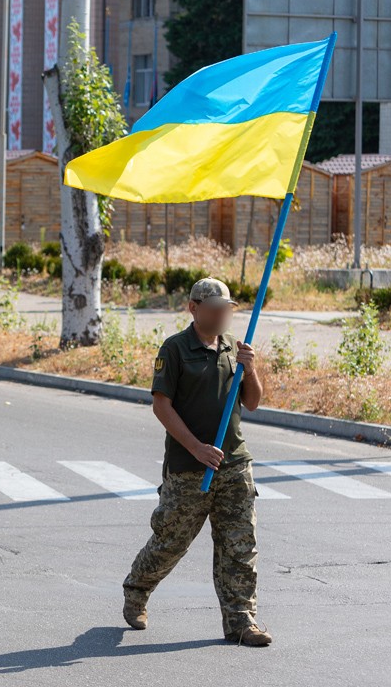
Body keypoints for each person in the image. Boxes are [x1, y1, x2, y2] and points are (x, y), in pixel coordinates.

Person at [122, 277, 271, 646]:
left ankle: (241, 621)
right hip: (189, 467)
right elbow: (161, 405)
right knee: (171, 540)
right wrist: (196, 448)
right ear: (194, 308)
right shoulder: (175, 349)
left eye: (228, 309)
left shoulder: (234, 347)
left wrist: (249, 368)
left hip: (233, 462)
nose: (223, 315)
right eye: (216, 309)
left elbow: (252, 402)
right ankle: (137, 590)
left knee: (240, 544)